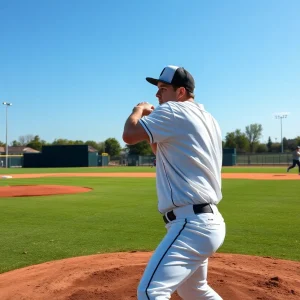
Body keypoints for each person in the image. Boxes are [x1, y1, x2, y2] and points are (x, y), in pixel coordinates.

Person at [123, 65, 225, 300]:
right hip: (206, 222)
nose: (157, 95)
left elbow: (129, 134)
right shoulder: (208, 118)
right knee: (194, 290)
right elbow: (161, 151)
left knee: (150, 292)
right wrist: (153, 123)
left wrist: (137, 110)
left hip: (192, 224)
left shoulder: (174, 111)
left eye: (162, 88)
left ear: (180, 92)